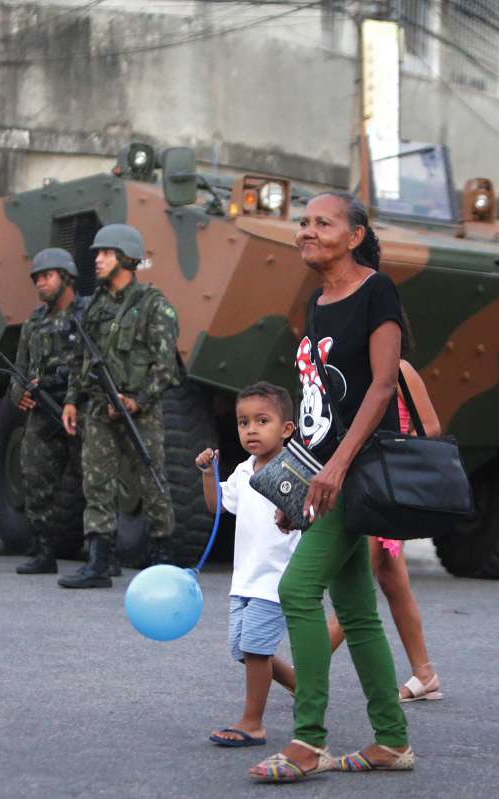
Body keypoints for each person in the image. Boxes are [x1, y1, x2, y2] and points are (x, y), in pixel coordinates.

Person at [248, 193, 411, 783]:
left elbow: (383, 385)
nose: (307, 231)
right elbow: (320, 408)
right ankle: (391, 739)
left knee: (296, 590)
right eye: (303, 222)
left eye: (323, 222)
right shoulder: (318, 303)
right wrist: (300, 492)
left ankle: (309, 740)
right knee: (358, 612)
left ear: (355, 235)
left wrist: (337, 469)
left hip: (360, 472)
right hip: (327, 475)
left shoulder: (376, 292)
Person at [59, 224, 180, 589]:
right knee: (96, 482)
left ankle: (163, 559)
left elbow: (166, 366)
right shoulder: (94, 305)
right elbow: (81, 357)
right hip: (99, 408)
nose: (97, 260)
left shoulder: (153, 305)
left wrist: (136, 401)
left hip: (139, 410)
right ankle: (99, 562)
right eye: (97, 253)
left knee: (151, 480)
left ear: (127, 258)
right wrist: (71, 400)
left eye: (105, 253)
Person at [325, 358, 442, 702]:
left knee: (353, 593)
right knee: (393, 583)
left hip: (386, 491)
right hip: (364, 488)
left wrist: (390, 453)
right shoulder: (353, 371)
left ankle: (305, 670)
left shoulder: (400, 370)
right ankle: (425, 674)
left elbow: (430, 427)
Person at [196, 382, 299, 748]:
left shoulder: (293, 470)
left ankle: (253, 723)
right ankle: (301, 685)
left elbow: (310, 515)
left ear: (286, 429)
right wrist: (209, 474)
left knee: (256, 649)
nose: (251, 430)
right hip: (245, 579)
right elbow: (217, 506)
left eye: (262, 421)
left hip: (275, 579)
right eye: (243, 422)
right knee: (243, 649)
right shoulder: (243, 470)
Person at [11, 248, 89, 576]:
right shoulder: (34, 322)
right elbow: (20, 366)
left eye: (47, 276)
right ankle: (43, 551)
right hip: (43, 411)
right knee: (34, 477)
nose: (40, 283)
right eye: (37, 279)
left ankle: (103, 553)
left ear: (66, 277)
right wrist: (19, 393)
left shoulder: (87, 314)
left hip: (81, 407)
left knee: (96, 482)